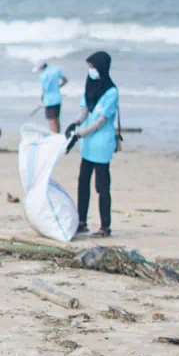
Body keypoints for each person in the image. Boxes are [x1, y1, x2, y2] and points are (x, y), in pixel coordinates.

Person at [66, 52, 119, 238]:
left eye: (92, 67)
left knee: (102, 186)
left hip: (101, 144)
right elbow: (85, 110)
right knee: (83, 183)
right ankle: (82, 221)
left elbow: (100, 121)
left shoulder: (112, 92)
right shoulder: (90, 86)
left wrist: (80, 134)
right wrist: (75, 123)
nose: (90, 71)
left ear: (101, 68)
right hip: (88, 144)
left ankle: (105, 226)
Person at [36, 61, 68, 134]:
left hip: (49, 100)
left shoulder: (43, 75)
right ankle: (57, 134)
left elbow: (44, 88)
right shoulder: (56, 70)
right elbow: (65, 80)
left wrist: (41, 98)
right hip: (57, 98)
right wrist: (58, 87)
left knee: (51, 119)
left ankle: (54, 135)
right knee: (56, 118)